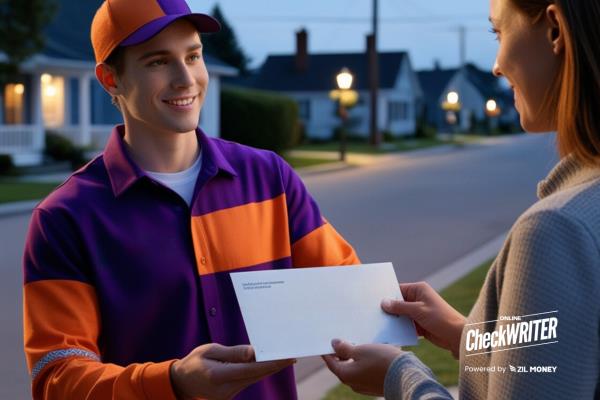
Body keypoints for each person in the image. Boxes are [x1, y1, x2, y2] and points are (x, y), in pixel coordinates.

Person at [22, 0, 360, 399]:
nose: (186, 78)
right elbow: (57, 379)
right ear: (110, 79)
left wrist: (425, 326)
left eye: (193, 55)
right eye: (157, 62)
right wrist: (174, 383)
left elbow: (348, 294)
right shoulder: (65, 219)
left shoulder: (270, 178)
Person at [324, 0, 600, 398]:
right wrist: (464, 335)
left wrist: (399, 376)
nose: (496, 66)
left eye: (499, 32)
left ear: (555, 30)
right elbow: (565, 358)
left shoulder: (556, 230)